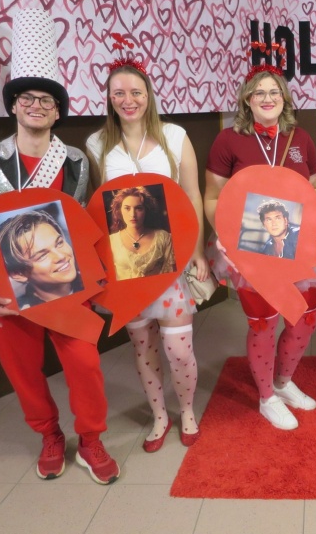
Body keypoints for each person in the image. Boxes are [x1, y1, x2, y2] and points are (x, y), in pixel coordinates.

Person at [0, 9, 119, 485]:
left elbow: (82, 228)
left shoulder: (75, 161)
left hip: (64, 285)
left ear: (58, 111)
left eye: (46, 100)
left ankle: (91, 439)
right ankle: (49, 436)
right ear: (14, 106)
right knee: (24, 373)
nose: (36, 106)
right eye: (27, 98)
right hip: (6, 290)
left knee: (85, 365)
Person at [86, 62, 208, 452]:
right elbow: (96, 209)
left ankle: (186, 410)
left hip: (171, 257)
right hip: (126, 265)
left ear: (149, 95)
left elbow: (192, 195)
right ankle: (159, 415)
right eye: (119, 93)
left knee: (179, 349)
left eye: (136, 92)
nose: (128, 100)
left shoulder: (174, 136)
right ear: (109, 98)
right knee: (143, 346)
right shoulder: (96, 144)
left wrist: (198, 250)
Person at [204, 64, 316, 430]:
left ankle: (283, 383)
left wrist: (314, 225)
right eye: (259, 92)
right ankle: (266, 397)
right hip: (250, 246)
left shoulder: (300, 138)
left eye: (274, 92)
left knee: (304, 319)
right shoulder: (228, 140)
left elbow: (313, 188)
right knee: (263, 324)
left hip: (296, 244)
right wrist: (223, 234)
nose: (267, 98)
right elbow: (213, 197)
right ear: (247, 99)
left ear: (284, 98)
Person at [0, 209, 85, 308]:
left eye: (59, 243)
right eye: (42, 256)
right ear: (19, 274)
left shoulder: (94, 281)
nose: (61, 256)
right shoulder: (21, 313)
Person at [107, 187, 176, 280]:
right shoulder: (111, 241)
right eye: (127, 208)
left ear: (146, 210)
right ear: (120, 211)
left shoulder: (163, 237)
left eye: (138, 208)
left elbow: (170, 274)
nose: (132, 214)